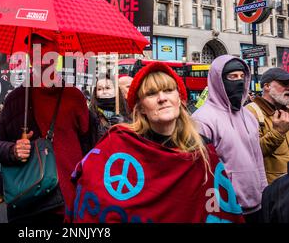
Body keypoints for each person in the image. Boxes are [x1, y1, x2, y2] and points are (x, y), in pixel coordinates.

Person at [67, 62, 243, 223]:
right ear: (141, 107)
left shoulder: (202, 151)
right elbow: (93, 194)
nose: (162, 98)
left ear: (179, 98)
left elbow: (219, 209)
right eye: (151, 93)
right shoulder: (118, 143)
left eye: (168, 90)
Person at [0, 32, 90, 223]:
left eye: (43, 45)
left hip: (72, 204)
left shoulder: (75, 97)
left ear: (57, 50)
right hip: (30, 205)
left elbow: (90, 148)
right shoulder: (16, 98)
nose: (37, 51)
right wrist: (13, 150)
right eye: (32, 46)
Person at [192, 55, 267, 223]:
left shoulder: (249, 116)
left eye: (242, 76)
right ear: (219, 80)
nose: (239, 81)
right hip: (224, 208)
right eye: (232, 77)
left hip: (257, 206)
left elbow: (257, 159)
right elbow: (201, 171)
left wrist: (265, 192)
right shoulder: (202, 119)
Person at [246, 68, 289, 184]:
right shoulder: (251, 112)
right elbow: (251, 152)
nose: (288, 87)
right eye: (284, 84)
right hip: (272, 190)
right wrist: (278, 133)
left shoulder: (286, 111)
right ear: (267, 86)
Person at [88, 76, 130, 144]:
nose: (104, 92)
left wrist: (124, 123)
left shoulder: (127, 109)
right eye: (99, 89)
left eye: (107, 88)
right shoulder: (90, 115)